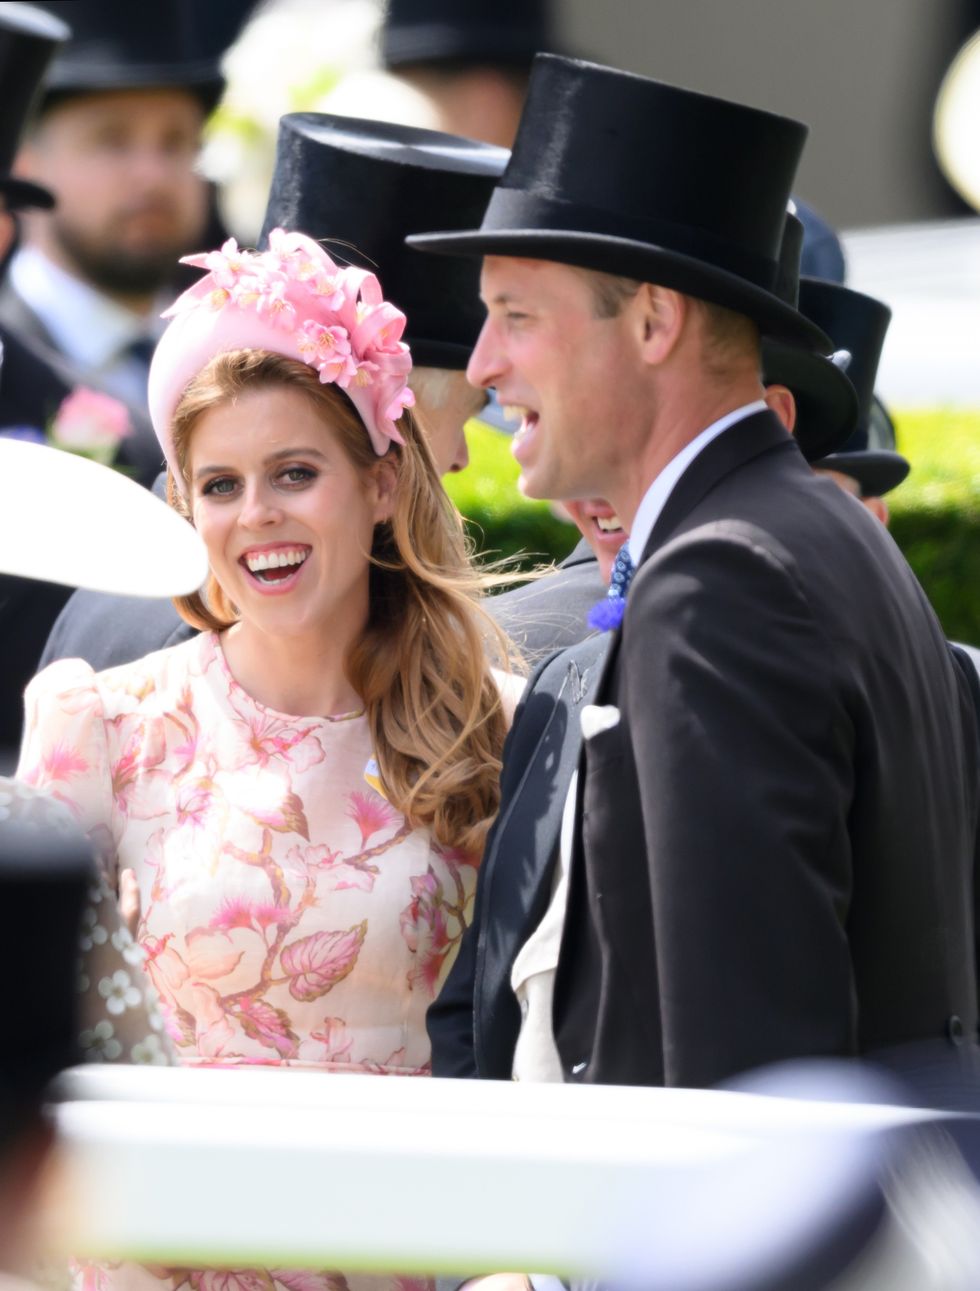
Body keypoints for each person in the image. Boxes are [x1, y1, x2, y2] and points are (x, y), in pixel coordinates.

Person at [412, 54, 979, 1099]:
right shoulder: (807, 529)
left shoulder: (721, 580)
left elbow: (747, 1084)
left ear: (653, 321)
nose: (484, 364)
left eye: (517, 315)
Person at [18, 228, 517, 1290]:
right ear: (184, 508)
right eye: (222, 485)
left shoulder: (495, 729)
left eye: (295, 472)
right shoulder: (99, 723)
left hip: (406, 1258)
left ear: (381, 484)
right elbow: (28, 1052)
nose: (259, 518)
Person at [40, 112, 510, 672]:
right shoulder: (241, 631)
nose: (459, 457)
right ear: (381, 402)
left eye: (294, 475)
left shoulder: (123, 575)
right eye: (467, 413)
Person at [0, 0, 222, 482]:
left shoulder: (237, 359)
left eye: (177, 140)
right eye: (111, 140)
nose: (153, 175)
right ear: (25, 159)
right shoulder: (6, 365)